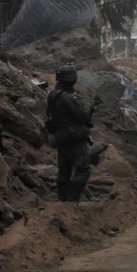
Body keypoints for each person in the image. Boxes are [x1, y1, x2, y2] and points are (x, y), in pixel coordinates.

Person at [45, 62, 95, 202]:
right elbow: (82, 116)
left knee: (64, 170)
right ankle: (72, 200)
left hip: (61, 137)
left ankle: (62, 200)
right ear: (71, 80)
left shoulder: (53, 95)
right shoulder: (67, 98)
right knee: (83, 169)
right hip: (74, 137)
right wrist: (89, 105)